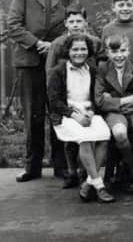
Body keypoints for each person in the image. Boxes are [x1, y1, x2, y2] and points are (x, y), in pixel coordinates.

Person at [7, 0, 79, 182]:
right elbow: (14, 24)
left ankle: (62, 166)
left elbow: (74, 22)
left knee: (59, 111)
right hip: (30, 60)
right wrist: (37, 43)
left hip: (58, 60)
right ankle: (32, 166)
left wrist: (55, 45)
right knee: (33, 114)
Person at [48, 34, 114, 203]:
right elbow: (54, 102)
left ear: (89, 50)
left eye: (83, 49)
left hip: (89, 112)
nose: (79, 52)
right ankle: (99, 186)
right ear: (68, 51)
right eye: (75, 49)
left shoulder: (93, 70)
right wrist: (75, 115)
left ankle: (88, 182)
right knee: (85, 138)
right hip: (67, 115)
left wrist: (92, 111)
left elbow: (96, 97)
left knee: (104, 135)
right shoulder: (58, 71)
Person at [95, 34, 133, 193]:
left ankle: (124, 162)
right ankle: (132, 170)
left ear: (128, 51)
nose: (119, 55)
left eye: (122, 50)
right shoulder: (102, 68)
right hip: (116, 112)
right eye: (114, 52)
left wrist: (114, 100)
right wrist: (125, 101)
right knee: (119, 132)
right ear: (107, 53)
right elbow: (99, 101)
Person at [46, 6, 102, 79]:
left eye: (79, 21)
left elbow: (101, 66)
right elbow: (50, 70)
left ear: (85, 22)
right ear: (66, 23)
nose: (75, 25)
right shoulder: (57, 43)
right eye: (71, 22)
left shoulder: (95, 42)